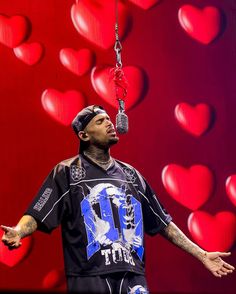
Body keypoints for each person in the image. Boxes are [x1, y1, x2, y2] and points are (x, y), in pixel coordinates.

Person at [1, 105, 235, 293]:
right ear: (83, 135)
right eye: (100, 121)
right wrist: (19, 231)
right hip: (88, 277)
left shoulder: (132, 175)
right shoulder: (67, 172)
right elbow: (38, 212)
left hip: (132, 276)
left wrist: (202, 254)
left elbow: (163, 223)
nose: (110, 123)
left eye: (109, 119)